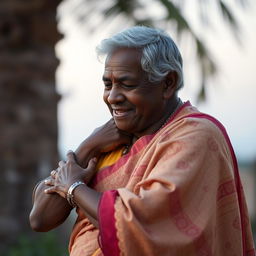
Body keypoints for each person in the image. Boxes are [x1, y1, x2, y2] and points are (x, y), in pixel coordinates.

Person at [29, 26, 255, 256]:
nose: (113, 97)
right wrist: (88, 146)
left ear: (167, 83)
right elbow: (40, 218)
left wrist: (74, 188)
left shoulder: (194, 135)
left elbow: (144, 223)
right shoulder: (109, 141)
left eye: (127, 85)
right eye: (108, 84)